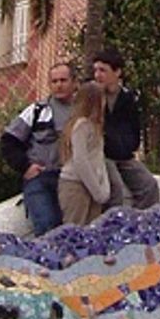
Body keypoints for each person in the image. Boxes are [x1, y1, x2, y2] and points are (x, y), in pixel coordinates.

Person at [0, 61, 77, 235]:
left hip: (72, 179)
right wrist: (25, 167)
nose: (59, 85)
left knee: (72, 230)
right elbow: (8, 141)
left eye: (63, 80)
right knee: (46, 227)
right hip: (41, 178)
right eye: (54, 81)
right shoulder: (37, 111)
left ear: (74, 82)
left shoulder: (82, 111)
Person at [92, 47, 159, 210]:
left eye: (103, 70)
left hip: (123, 155)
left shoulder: (128, 98)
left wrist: (125, 147)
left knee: (149, 186)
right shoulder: (91, 95)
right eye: (96, 70)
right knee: (115, 189)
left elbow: (134, 130)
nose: (97, 75)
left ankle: (138, 224)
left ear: (117, 72)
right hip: (100, 155)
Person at [57, 81, 111, 225]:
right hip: (75, 185)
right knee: (76, 229)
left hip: (91, 186)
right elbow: (80, 160)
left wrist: (103, 187)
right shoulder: (82, 125)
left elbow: (98, 159)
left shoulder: (96, 126)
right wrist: (98, 191)